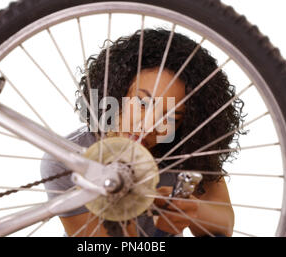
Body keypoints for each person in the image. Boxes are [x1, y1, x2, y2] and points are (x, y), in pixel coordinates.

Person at [40, 28, 245, 237]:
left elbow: (224, 225)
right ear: (116, 90)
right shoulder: (66, 160)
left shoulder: (184, 149)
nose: (149, 125)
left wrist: (192, 210)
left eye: (171, 117)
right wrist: (134, 202)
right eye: (142, 103)